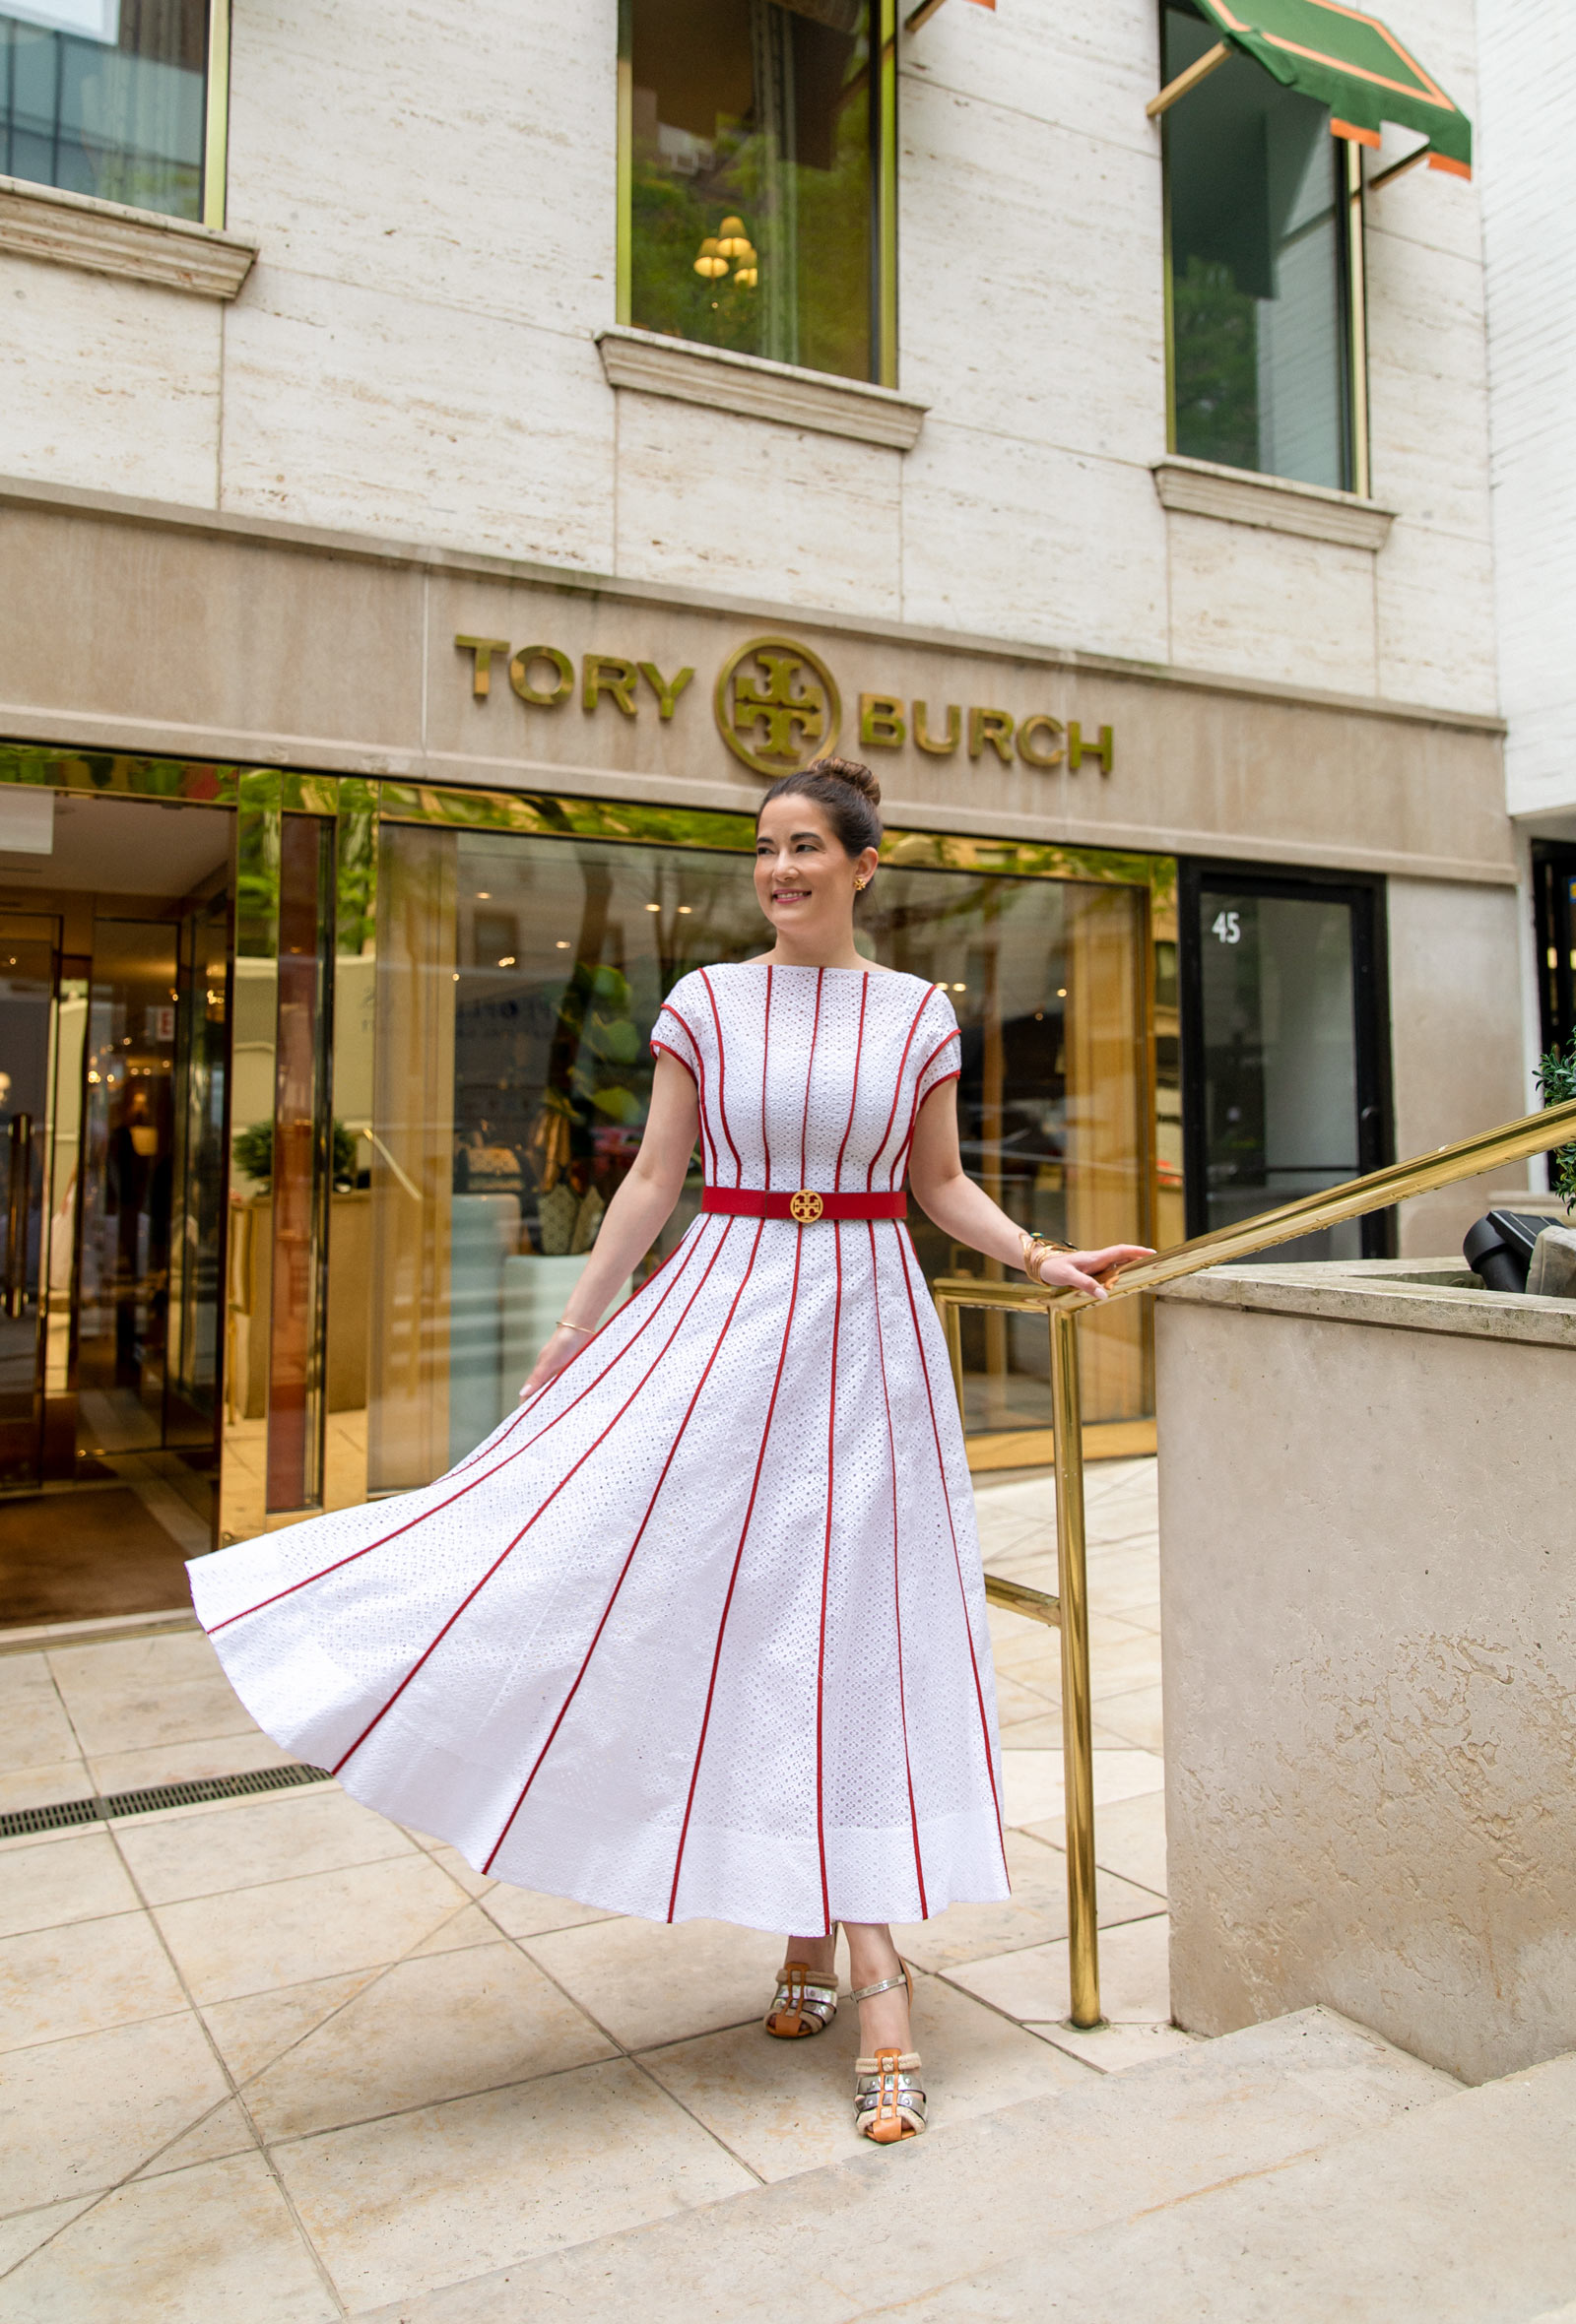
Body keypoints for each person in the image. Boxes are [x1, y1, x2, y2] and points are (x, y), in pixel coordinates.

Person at [189, 758, 1150, 2145]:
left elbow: (937, 1186)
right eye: (765, 849)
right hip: (727, 1313)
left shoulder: (917, 1015)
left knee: (850, 1638)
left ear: (865, 866)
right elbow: (654, 1175)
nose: (779, 870)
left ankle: (858, 1959)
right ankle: (825, 1942)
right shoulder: (708, 1003)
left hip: (873, 1335)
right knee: (686, 1596)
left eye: (807, 846)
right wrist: (580, 1327)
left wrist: (1045, 1255)